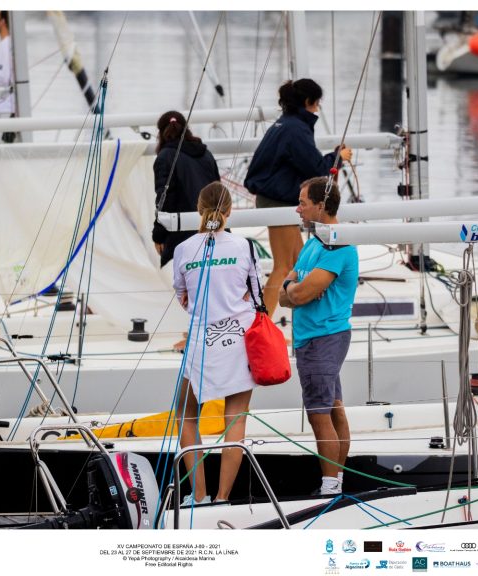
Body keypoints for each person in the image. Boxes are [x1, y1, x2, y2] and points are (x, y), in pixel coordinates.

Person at [172, 182, 260, 506]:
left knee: (186, 414)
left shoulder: (183, 249)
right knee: (235, 416)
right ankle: (222, 497)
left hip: (200, 342)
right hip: (238, 340)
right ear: (230, 210)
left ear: (199, 208)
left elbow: (183, 297)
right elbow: (256, 294)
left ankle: (198, 495)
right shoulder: (244, 246)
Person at [244, 78, 352, 317]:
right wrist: (339, 157)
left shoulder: (285, 124)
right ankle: (262, 326)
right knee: (283, 267)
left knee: (297, 264)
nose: (317, 109)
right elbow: (315, 170)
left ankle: (287, 321)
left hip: (273, 198)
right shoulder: (296, 129)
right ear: (308, 102)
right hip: (278, 202)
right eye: (317, 104)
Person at [278, 176, 358, 496]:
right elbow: (288, 291)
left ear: (321, 206)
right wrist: (292, 289)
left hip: (323, 337)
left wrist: (293, 290)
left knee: (318, 412)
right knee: (333, 407)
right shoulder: (314, 243)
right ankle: (335, 481)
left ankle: (330, 487)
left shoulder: (338, 245)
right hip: (316, 336)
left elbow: (300, 293)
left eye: (303, 203)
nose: (298, 209)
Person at [153, 111, 220, 269]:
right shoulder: (206, 154)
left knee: (186, 288)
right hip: (215, 229)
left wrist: (159, 235)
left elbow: (165, 199)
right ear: (186, 129)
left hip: (183, 235)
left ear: (160, 133)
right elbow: (218, 191)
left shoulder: (164, 157)